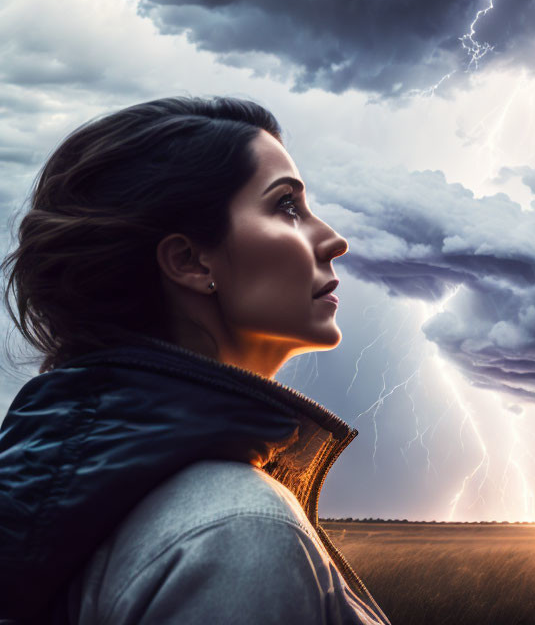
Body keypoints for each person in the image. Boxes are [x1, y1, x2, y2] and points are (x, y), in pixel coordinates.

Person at [0, 97, 390, 624]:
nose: (333, 240)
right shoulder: (238, 530)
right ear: (189, 261)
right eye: (287, 207)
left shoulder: (81, 486)